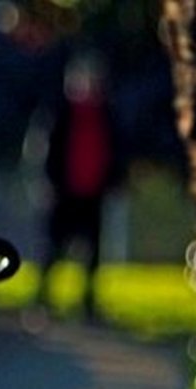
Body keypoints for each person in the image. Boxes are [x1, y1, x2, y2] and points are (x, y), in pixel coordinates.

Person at [31, 52, 125, 320]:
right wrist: (49, 183)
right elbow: (47, 151)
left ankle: (88, 302)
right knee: (55, 246)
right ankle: (43, 297)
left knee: (93, 251)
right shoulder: (61, 112)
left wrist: (115, 181)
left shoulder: (106, 114)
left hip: (93, 192)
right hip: (65, 191)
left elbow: (115, 152)